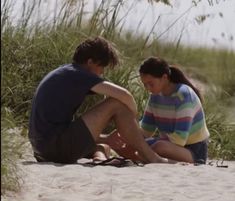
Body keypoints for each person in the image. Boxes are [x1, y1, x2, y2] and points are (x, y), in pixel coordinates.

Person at [28, 37, 167, 164]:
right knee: (116, 103)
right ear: (90, 62)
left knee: (104, 146)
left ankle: (99, 158)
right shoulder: (78, 74)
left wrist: (106, 138)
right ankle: (152, 157)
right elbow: (124, 95)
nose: (102, 73)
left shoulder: (65, 72)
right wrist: (133, 120)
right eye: (102, 67)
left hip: (42, 151)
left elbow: (60, 128)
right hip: (56, 148)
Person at [104, 56, 210, 164]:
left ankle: (143, 157)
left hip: (193, 151)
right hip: (169, 145)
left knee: (158, 147)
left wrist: (143, 145)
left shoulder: (183, 95)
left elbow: (179, 140)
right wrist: (126, 134)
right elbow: (146, 130)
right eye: (145, 85)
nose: (148, 88)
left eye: (151, 84)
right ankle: (143, 157)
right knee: (132, 144)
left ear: (164, 78)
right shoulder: (155, 97)